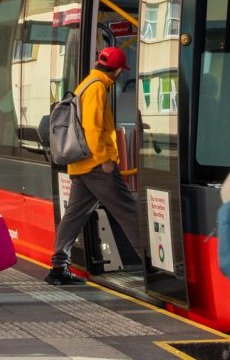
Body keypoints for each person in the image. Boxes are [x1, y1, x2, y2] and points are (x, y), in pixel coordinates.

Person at [45, 47, 146, 286]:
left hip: (83, 166)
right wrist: (105, 160)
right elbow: (92, 129)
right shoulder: (98, 89)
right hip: (96, 167)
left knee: (74, 215)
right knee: (128, 211)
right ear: (119, 70)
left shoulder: (86, 84)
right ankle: (153, 267)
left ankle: (58, 268)